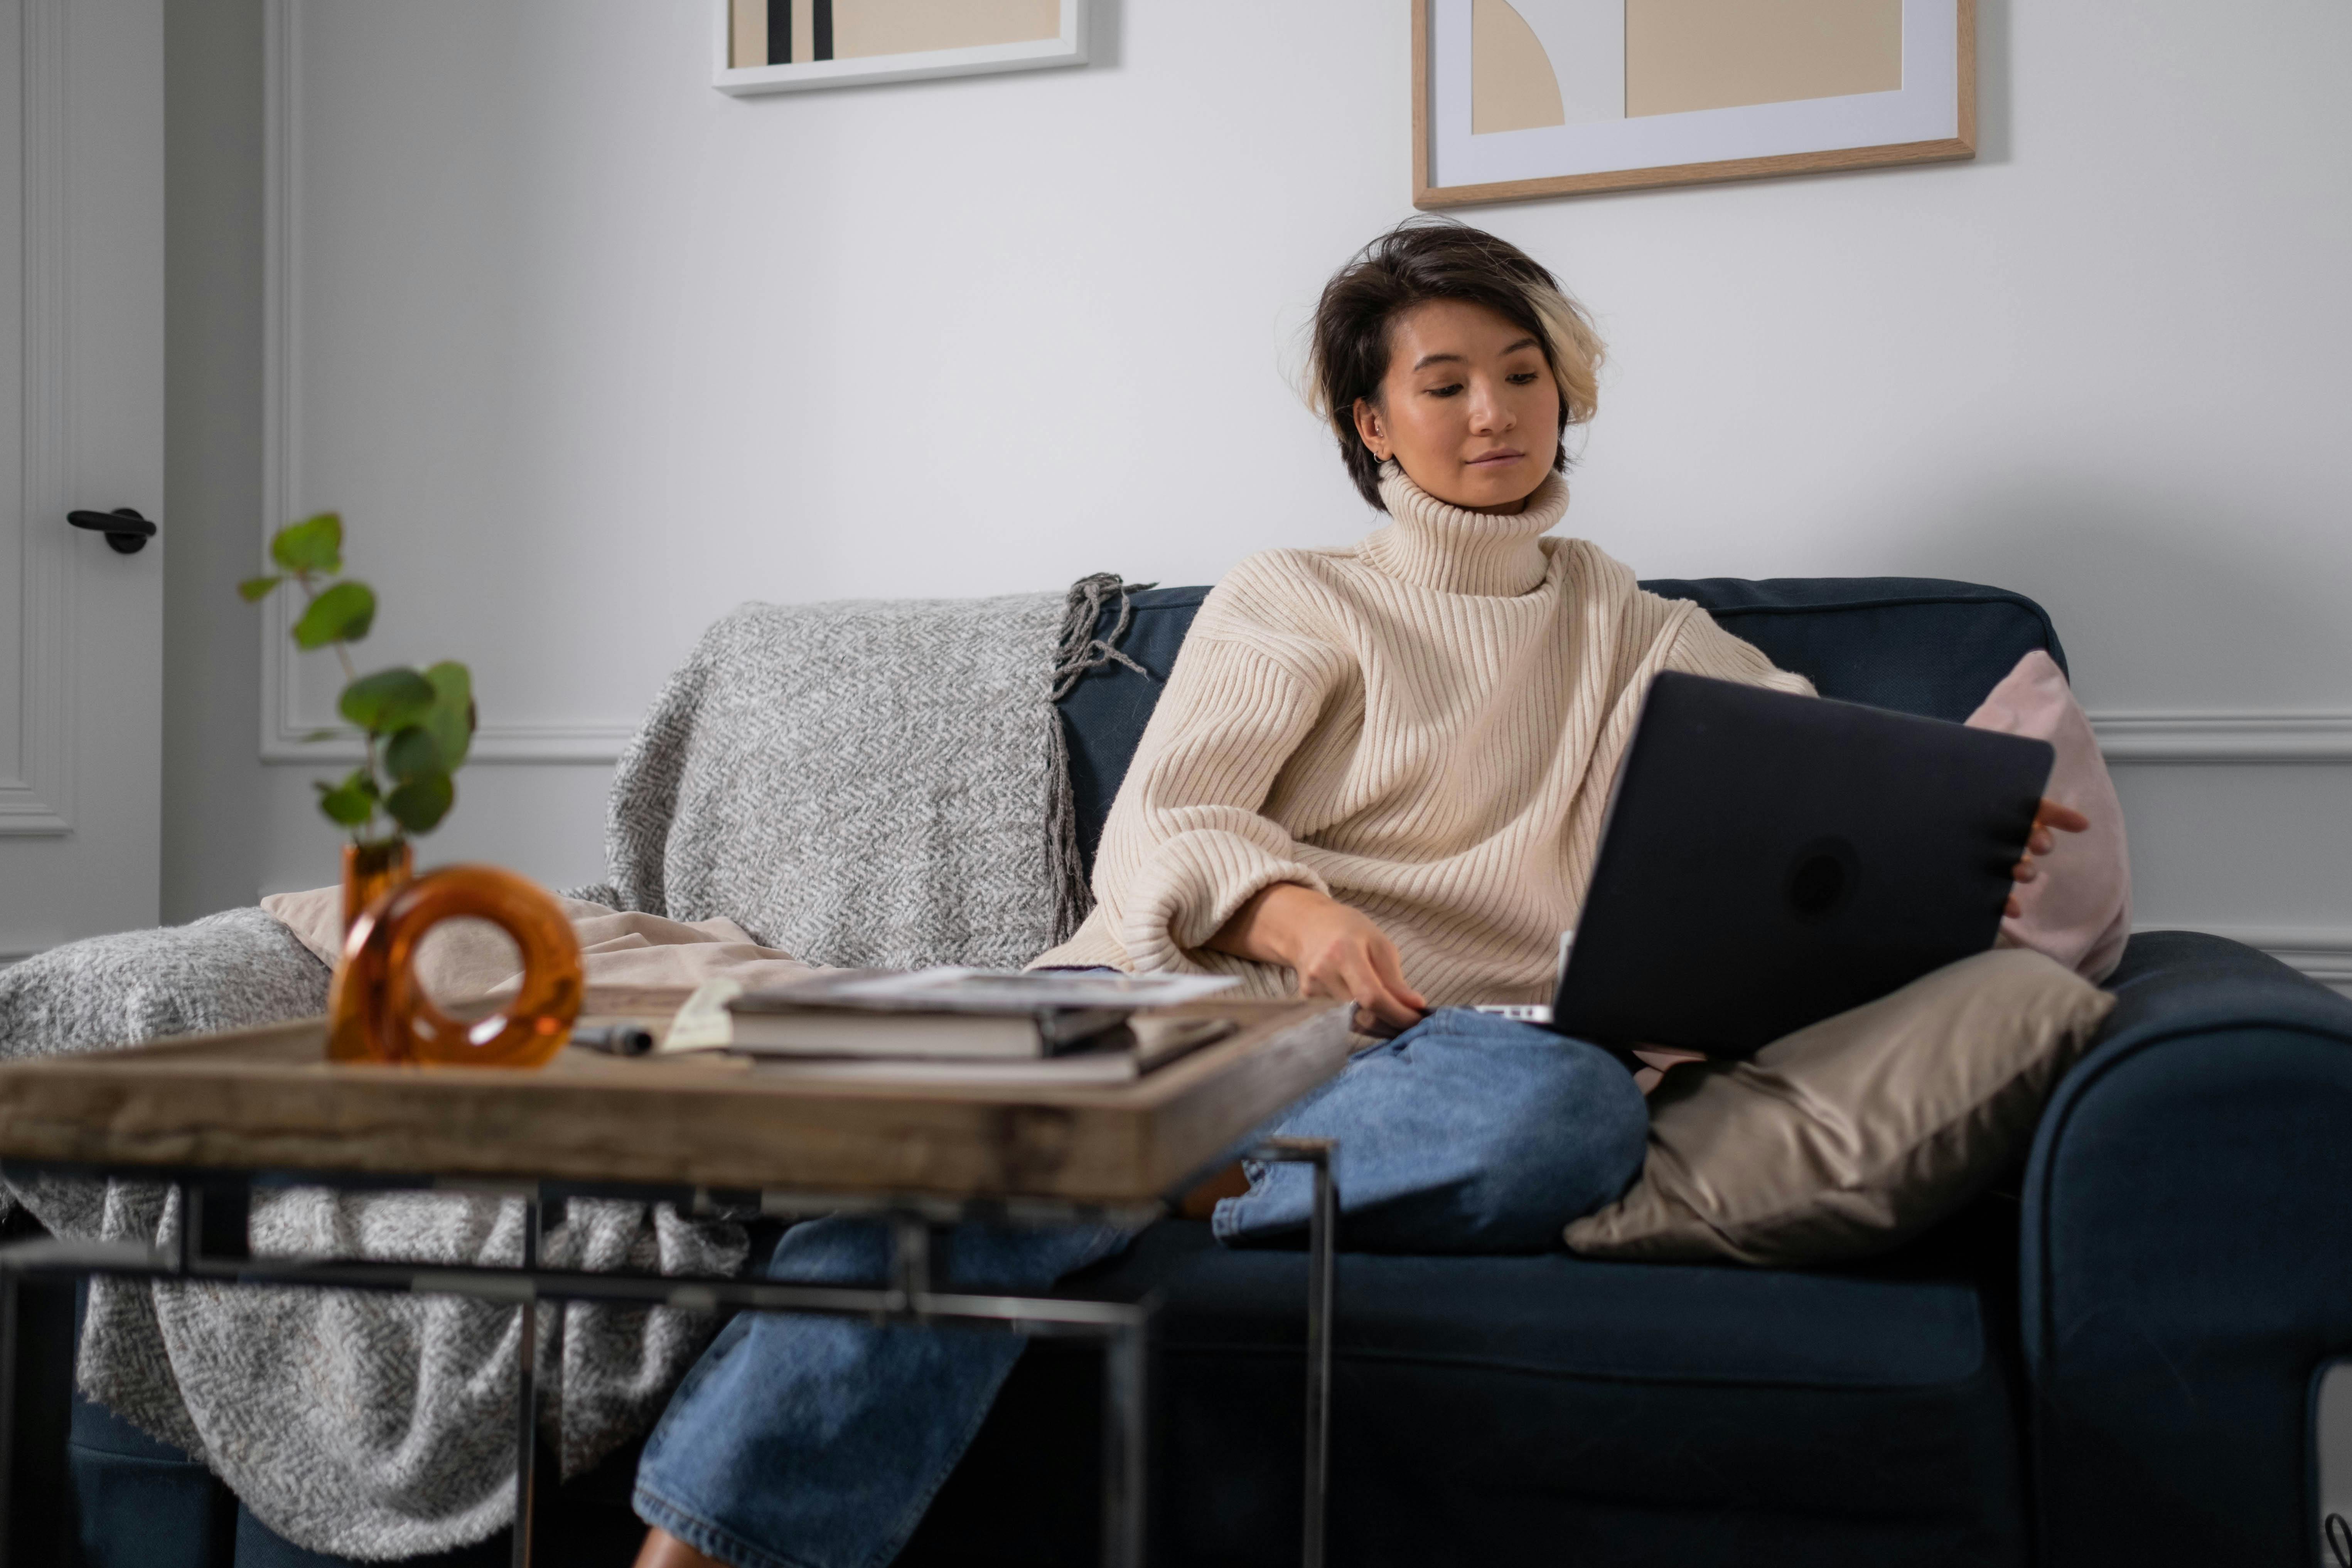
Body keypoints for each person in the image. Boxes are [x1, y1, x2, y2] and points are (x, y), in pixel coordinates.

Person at [629, 219, 2084, 1568]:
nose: (1493, 413)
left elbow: (1820, 789)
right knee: (955, 1186)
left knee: (1569, 1110)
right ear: (1369, 423)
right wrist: (1296, 916)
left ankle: (1162, 1175)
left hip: (1452, 1062)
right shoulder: (1296, 597)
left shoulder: (1644, 632)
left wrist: (1960, 834)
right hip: (1200, 1021)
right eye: (1443, 383)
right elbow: (1166, 825)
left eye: (1521, 376)